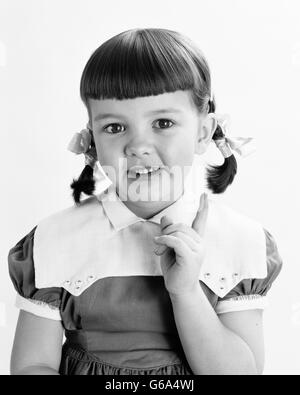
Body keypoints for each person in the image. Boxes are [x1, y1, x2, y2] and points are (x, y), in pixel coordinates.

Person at [8, 28, 283, 375]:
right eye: (114, 127)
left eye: (163, 122)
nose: (138, 145)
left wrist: (185, 292)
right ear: (91, 139)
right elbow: (32, 366)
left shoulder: (238, 241)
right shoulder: (54, 240)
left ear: (202, 132)